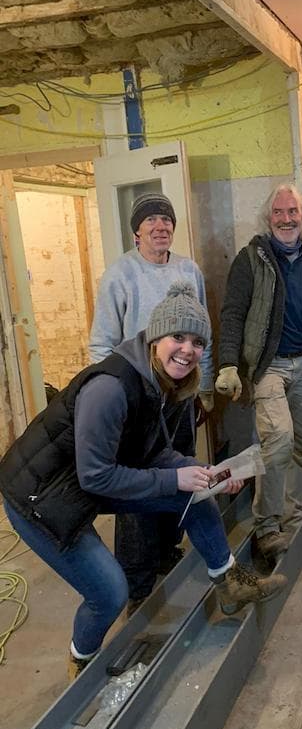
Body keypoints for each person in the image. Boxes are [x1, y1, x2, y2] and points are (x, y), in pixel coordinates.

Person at [0, 282, 285, 680]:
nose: (187, 349)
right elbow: (97, 476)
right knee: (108, 594)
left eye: (198, 342)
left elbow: (152, 454)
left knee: (195, 494)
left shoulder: (157, 382)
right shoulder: (110, 388)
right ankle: (80, 664)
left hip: (80, 481)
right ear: (156, 338)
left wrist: (202, 474)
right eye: (178, 337)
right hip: (40, 498)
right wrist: (174, 480)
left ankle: (229, 582)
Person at [89, 192, 214, 615]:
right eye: (151, 220)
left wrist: (205, 389)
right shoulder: (119, 275)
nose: (160, 226)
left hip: (180, 395)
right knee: (139, 489)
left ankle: (167, 552)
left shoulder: (188, 270)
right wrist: (112, 394)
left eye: (166, 219)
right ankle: (136, 584)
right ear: (136, 230)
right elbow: (101, 342)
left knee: (180, 473)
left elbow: (202, 334)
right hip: (138, 398)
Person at [215, 184, 302, 559]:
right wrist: (228, 363)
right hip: (268, 367)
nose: (286, 218)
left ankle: (293, 526)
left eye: (293, 211)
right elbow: (232, 314)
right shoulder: (250, 259)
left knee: (299, 448)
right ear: (268, 218)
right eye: (279, 212)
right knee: (277, 442)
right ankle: (266, 527)